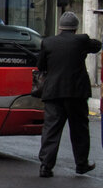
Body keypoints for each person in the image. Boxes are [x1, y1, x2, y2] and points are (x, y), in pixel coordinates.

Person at [36, 10, 100, 178]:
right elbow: (97, 45)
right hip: (76, 93)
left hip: (53, 92)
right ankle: (81, 164)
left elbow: (40, 65)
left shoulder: (48, 42)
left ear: (60, 27)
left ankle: (45, 166)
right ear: (75, 28)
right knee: (79, 129)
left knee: (51, 129)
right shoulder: (81, 40)